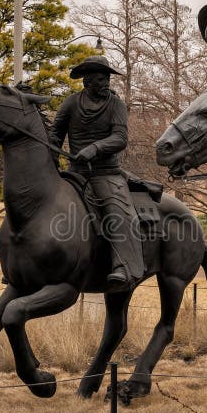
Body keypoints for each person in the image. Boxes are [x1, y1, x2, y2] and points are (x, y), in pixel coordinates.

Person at [48, 55, 144, 289]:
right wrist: (50, 162)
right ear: (87, 81)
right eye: (101, 79)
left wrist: (95, 148)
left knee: (119, 212)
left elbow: (120, 138)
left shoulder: (116, 105)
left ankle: (124, 266)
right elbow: (56, 135)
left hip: (106, 174)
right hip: (75, 173)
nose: (107, 83)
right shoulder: (71, 103)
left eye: (108, 78)